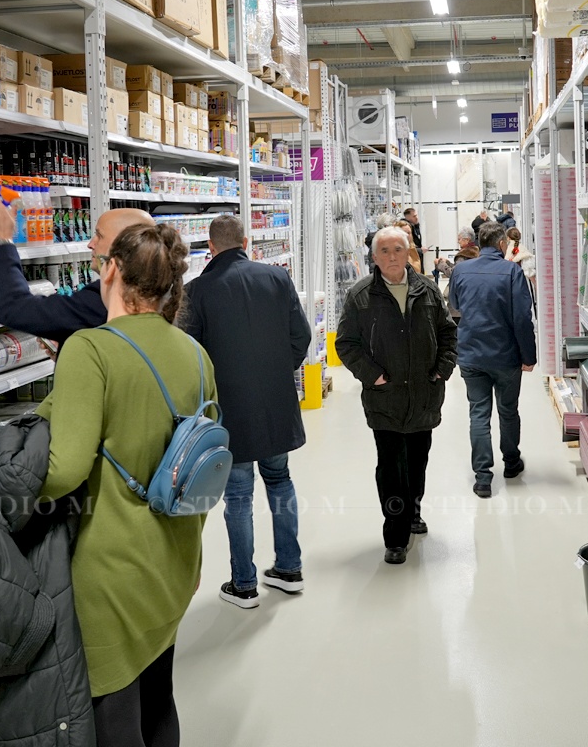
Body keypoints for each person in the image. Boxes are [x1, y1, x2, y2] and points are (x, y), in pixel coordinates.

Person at [35, 223, 210, 747]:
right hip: (175, 559)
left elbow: (63, 469)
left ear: (111, 270)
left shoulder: (89, 348)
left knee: (112, 716)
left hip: (111, 572)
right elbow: (202, 465)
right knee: (158, 699)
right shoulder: (193, 352)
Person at [179, 214, 311, 610]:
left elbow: (191, 358)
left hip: (229, 410)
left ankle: (244, 584)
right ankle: (289, 569)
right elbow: (301, 336)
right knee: (280, 480)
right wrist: (277, 372)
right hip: (276, 403)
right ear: (246, 242)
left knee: (238, 495)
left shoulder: (196, 292)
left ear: (210, 247)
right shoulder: (277, 278)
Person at [335, 226, 456, 565]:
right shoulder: (361, 296)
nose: (392, 256)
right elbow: (346, 344)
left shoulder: (428, 291)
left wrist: (441, 369)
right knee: (391, 468)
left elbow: (448, 334)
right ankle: (395, 536)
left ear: (408, 253)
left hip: (423, 395)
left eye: (398, 250)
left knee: (417, 462)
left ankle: (413, 511)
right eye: (385, 251)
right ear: (374, 257)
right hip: (384, 399)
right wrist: (373, 375)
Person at [447, 221, 537, 499]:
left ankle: (483, 477)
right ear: (501, 244)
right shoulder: (512, 272)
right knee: (508, 410)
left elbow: (455, 305)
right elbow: (522, 318)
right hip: (505, 355)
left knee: (478, 413)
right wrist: (529, 355)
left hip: (471, 353)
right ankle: (511, 463)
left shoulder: (460, 270)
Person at [0, 202, 155, 342]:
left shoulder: (105, 300)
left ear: (125, 245)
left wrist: (1, 241)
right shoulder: (153, 292)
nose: (90, 244)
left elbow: (14, 309)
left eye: (99, 236)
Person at [402, 207, 424, 273]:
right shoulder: (406, 227)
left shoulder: (416, 226)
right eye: (414, 216)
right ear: (408, 217)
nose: (416, 218)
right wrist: (420, 250)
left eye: (416, 215)